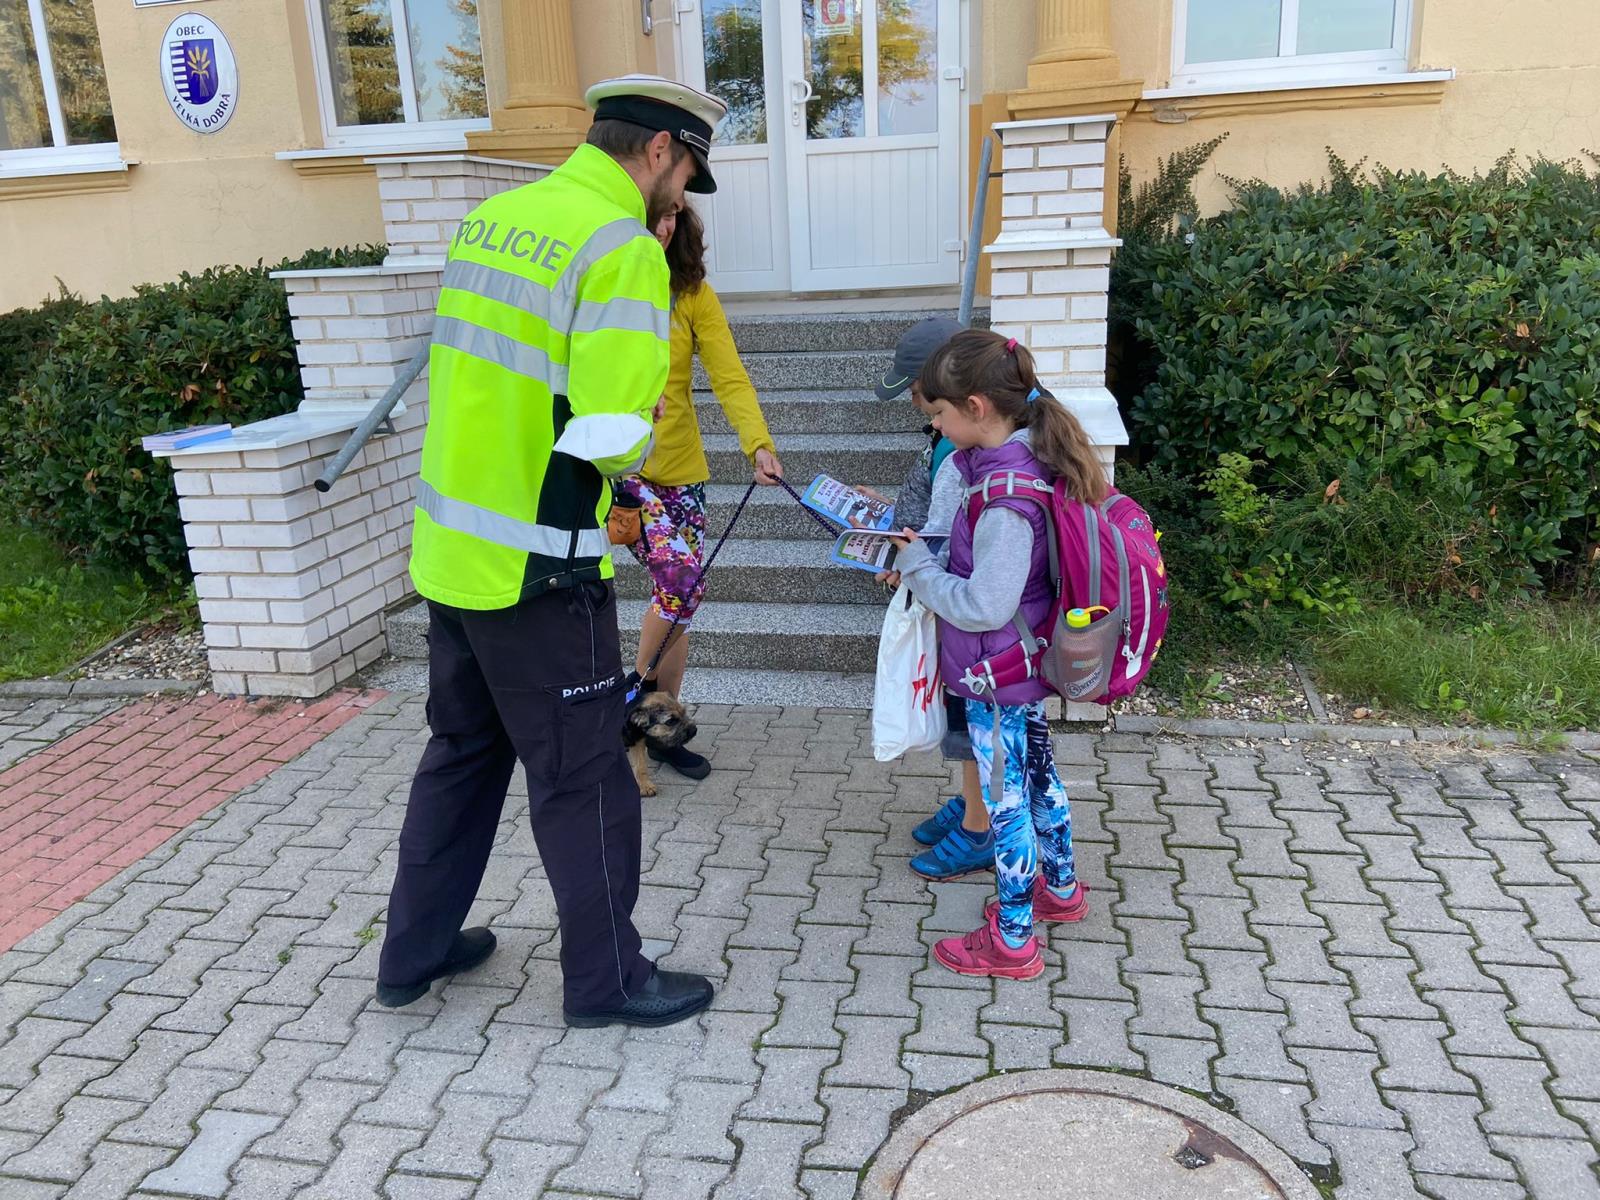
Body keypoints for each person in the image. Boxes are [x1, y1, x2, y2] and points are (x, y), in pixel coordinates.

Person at [377, 74, 729, 1029]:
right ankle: (608, 982)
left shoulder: (496, 218)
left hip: (451, 552)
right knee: (585, 779)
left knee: (459, 755)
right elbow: (614, 436)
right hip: (539, 568)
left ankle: (412, 956)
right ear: (659, 149)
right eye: (689, 167)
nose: (685, 191)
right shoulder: (620, 250)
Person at [885, 329, 1100, 979]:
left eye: (939, 415)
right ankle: (1058, 891)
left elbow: (984, 604)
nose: (938, 426)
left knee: (1006, 801)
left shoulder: (1006, 490)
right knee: (1039, 778)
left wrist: (916, 566)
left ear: (976, 407)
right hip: (1022, 663)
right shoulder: (1021, 459)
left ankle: (1012, 940)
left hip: (996, 670)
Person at [620, 204, 782, 780]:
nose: (662, 227)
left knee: (681, 606)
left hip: (684, 469)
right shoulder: (606, 283)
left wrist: (756, 443)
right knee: (682, 581)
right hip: (625, 469)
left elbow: (728, 372)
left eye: (670, 218)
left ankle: (662, 728)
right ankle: (632, 715)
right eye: (652, 217)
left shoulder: (690, 293)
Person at [869, 317, 993, 882]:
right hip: (946, 590)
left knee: (970, 721)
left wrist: (914, 567)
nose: (920, 408)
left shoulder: (966, 450)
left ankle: (979, 827)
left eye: (923, 398)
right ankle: (975, 804)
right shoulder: (952, 439)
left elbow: (956, 535)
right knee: (962, 717)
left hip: (964, 607)